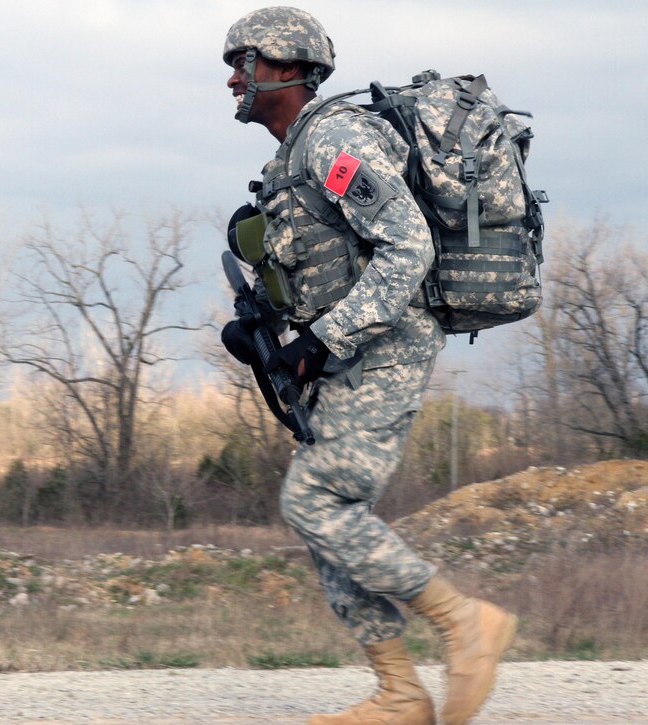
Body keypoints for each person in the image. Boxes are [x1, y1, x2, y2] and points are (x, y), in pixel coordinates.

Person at [220, 8, 516, 725]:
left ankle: (464, 623)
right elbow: (326, 264)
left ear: (289, 69)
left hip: (386, 342)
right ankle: (400, 691)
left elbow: (407, 247)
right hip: (350, 349)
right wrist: (267, 327)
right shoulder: (288, 162)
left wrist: (321, 341)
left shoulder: (335, 139)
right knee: (323, 512)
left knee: (316, 501)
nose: (232, 77)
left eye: (245, 62)